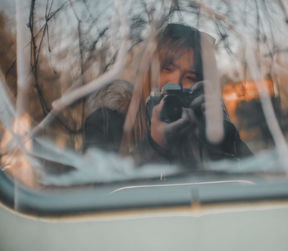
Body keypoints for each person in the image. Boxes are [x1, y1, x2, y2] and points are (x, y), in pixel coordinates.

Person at [83, 23, 251, 167]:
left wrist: (222, 139)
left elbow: (256, 186)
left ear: (201, 86)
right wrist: (154, 145)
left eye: (190, 77)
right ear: (148, 72)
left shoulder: (205, 123)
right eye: (167, 69)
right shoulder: (108, 122)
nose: (175, 82)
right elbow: (102, 193)